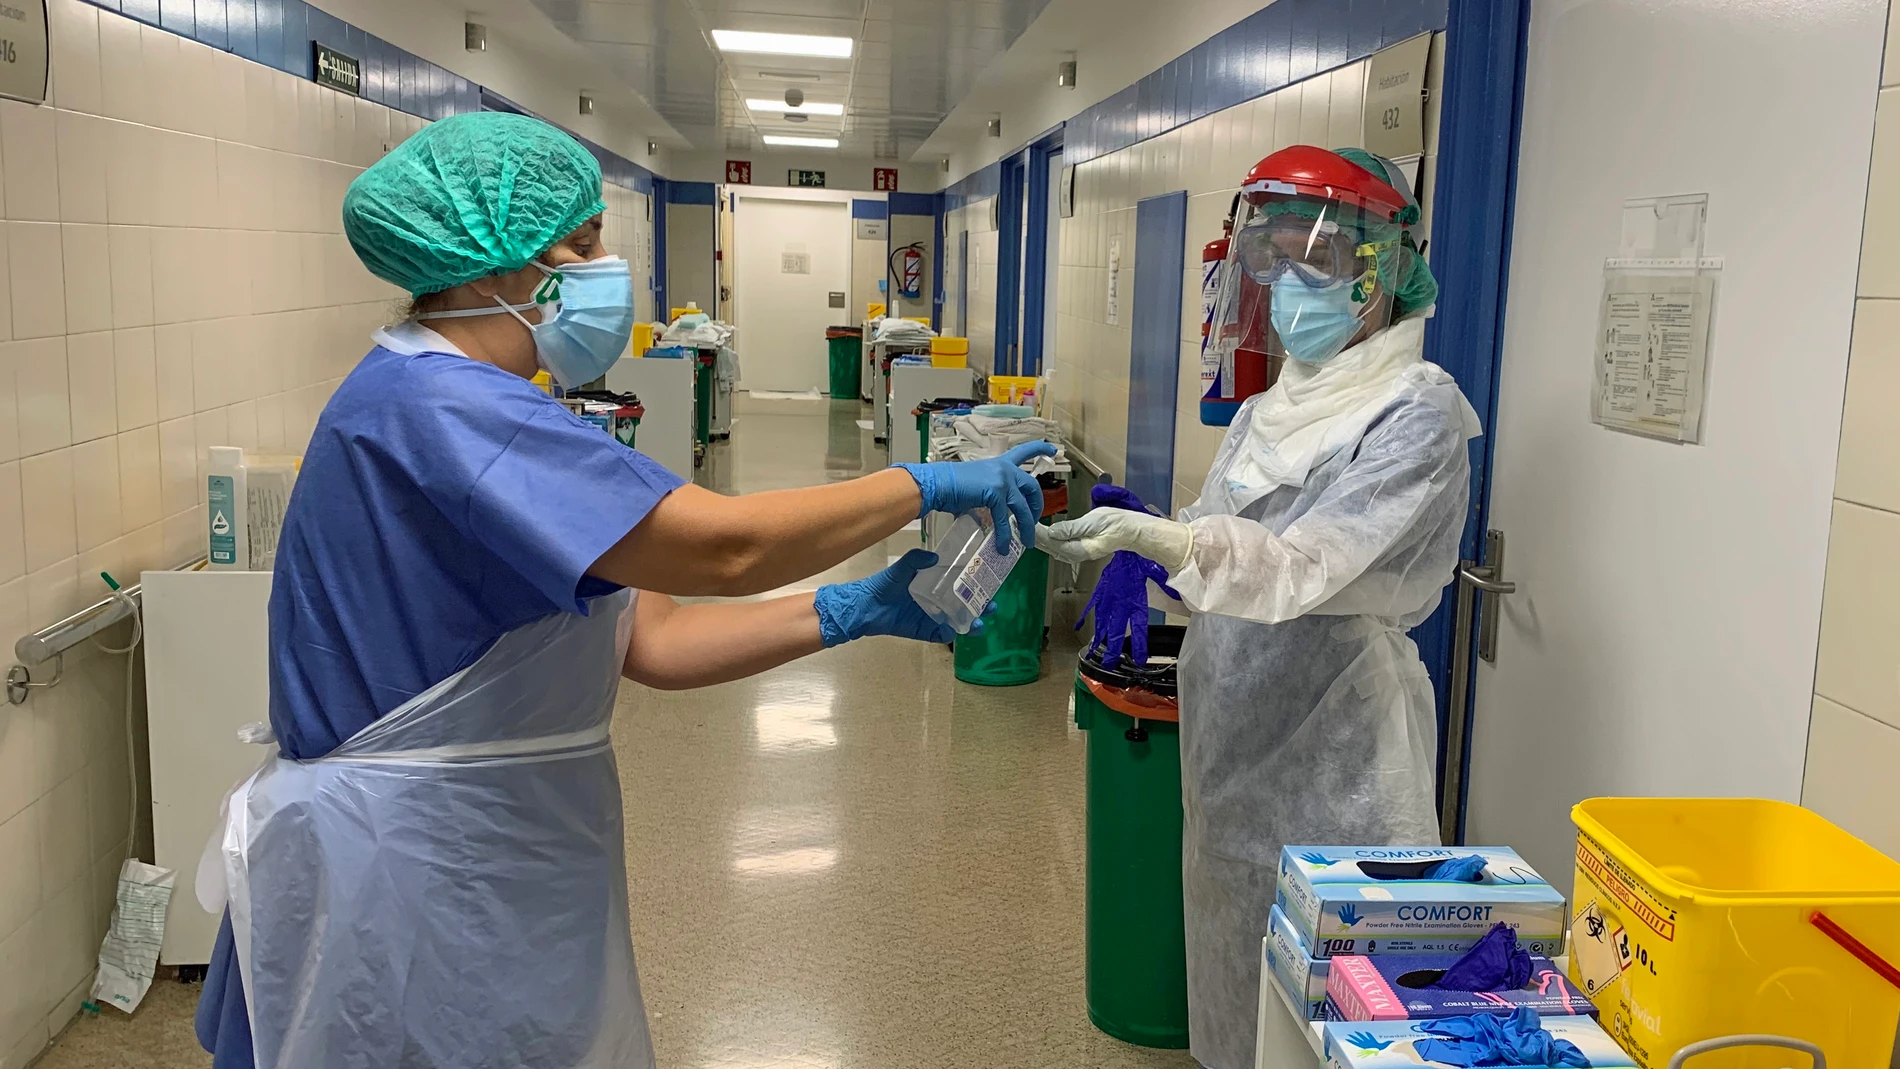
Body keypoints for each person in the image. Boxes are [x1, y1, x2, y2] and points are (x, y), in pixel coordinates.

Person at [193, 111, 1053, 1069]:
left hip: (490, 842)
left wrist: (849, 610)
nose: (609, 263)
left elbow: (651, 640)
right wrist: (921, 482)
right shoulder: (447, 410)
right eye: (587, 239)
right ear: (501, 263)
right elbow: (719, 549)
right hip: (415, 871)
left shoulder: (477, 401)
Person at [1040, 146, 1482, 1069]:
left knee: (1341, 1022)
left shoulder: (1417, 413)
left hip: (1342, 759)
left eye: (1312, 260)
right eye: (1272, 258)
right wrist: (1145, 546)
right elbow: (1218, 538)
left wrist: (1176, 546)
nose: (1288, 285)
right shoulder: (1268, 407)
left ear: (1381, 268)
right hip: (1229, 747)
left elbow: (1300, 567)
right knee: (1235, 998)